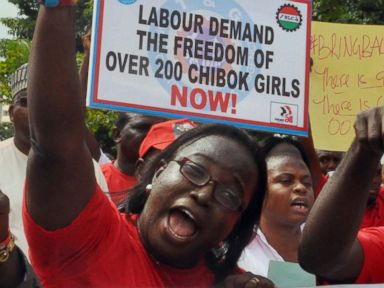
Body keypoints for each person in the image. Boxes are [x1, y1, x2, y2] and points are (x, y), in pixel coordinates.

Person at [22, 3, 274, 287]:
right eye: (194, 171)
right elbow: (55, 144)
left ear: (234, 226)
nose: (204, 195)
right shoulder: (91, 239)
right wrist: (58, 9)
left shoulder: (233, 284)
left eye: (229, 195)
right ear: (157, 173)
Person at [0, 63, 108, 257]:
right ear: (11, 113)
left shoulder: (86, 168)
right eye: (25, 102)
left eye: (46, 102)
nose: (37, 110)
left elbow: (104, 233)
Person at [299, 106, 384, 283]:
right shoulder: (325, 190)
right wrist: (365, 150)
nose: (373, 180)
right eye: (370, 172)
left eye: (377, 173)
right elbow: (321, 257)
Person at [238, 137, 314, 277]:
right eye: (286, 180)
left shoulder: (325, 244)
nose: (301, 188)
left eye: (307, 182)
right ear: (258, 189)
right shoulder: (236, 252)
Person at [100, 112, 165, 195]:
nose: (152, 133)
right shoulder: (95, 179)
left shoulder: (170, 182)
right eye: (143, 128)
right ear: (117, 135)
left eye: (159, 129)